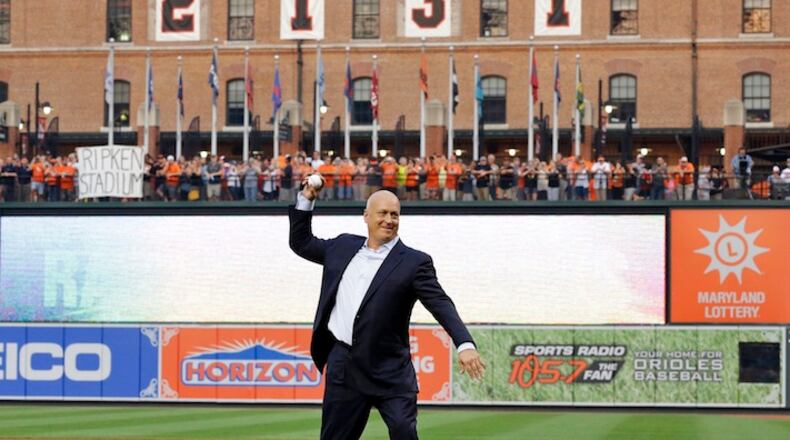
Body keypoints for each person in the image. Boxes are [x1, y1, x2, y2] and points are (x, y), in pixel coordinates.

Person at [289, 182, 485, 440]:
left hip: (390, 369)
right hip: (345, 366)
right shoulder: (343, 246)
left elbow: (440, 303)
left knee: (404, 433)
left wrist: (464, 344)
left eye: (394, 214)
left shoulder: (415, 262)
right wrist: (306, 199)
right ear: (366, 216)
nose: (389, 220)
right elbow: (301, 243)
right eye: (382, 213)